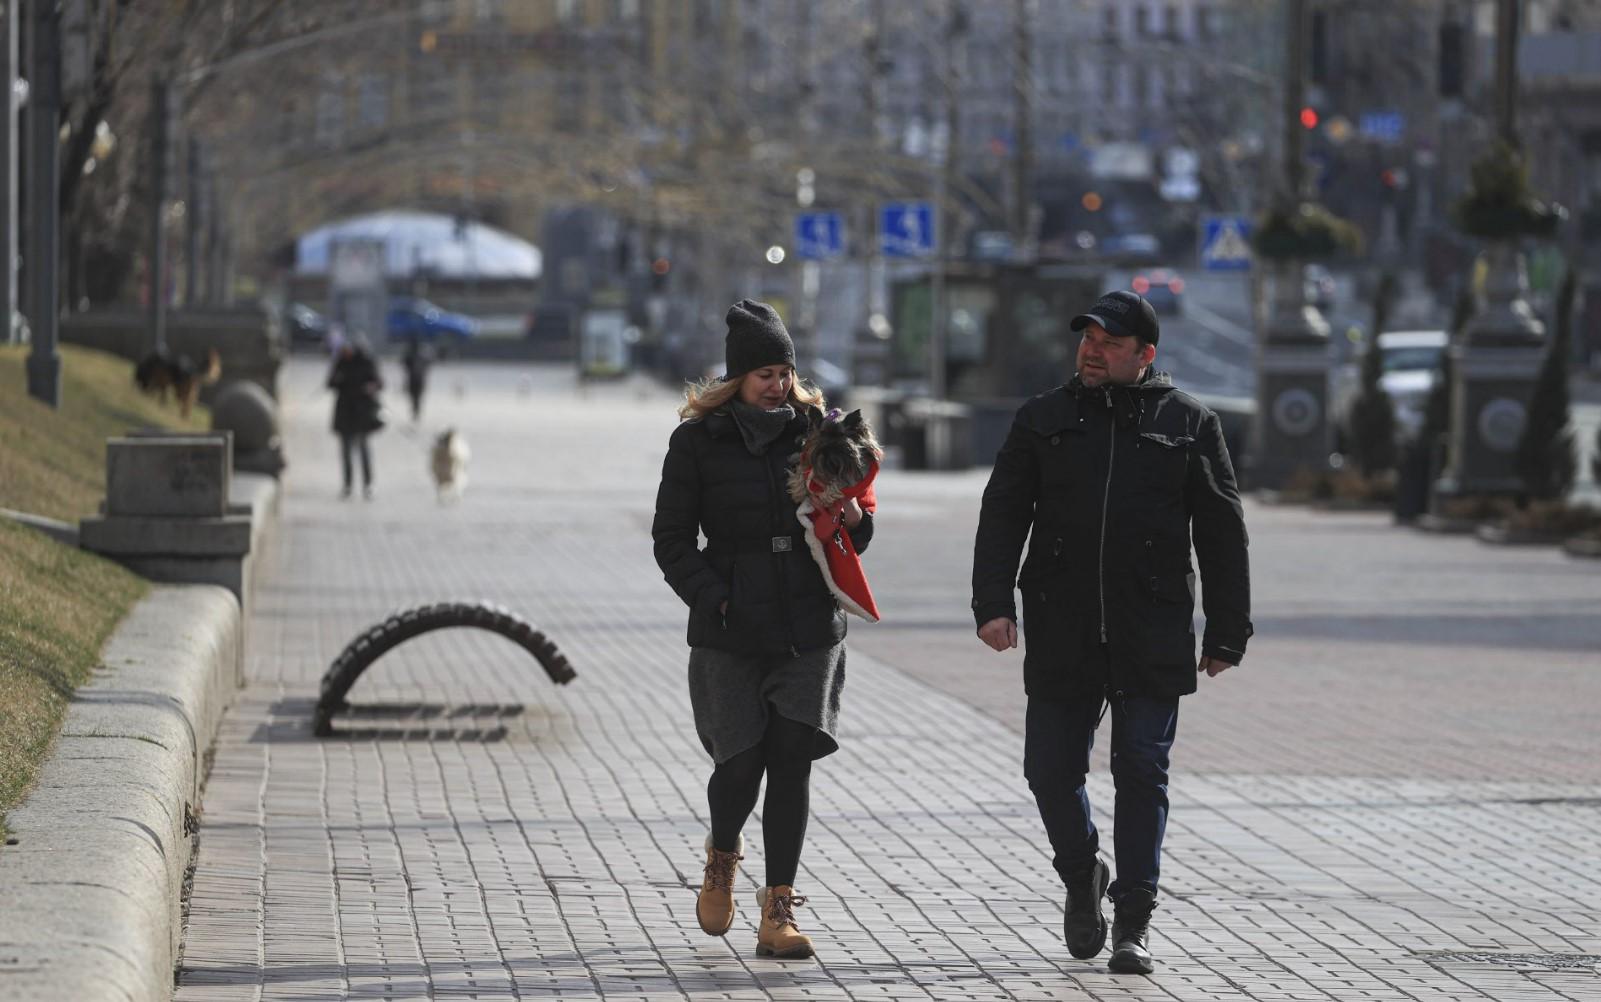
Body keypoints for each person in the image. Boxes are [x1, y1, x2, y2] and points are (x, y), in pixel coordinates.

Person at [970, 290, 1252, 975]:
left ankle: (1133, 920)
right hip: (1061, 621)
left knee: (1141, 772)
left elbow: (1220, 531)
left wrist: (1226, 630)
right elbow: (1003, 510)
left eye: (1110, 344)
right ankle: (1080, 875)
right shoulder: (1043, 418)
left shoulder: (1188, 422)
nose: (1091, 351)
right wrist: (991, 602)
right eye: (1086, 339)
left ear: (1144, 356)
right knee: (1048, 770)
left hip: (1150, 623)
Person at [652, 299, 873, 960]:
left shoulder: (820, 432)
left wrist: (855, 518)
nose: (777, 385)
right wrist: (715, 599)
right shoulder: (697, 440)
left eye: (783, 371)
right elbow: (670, 540)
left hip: (809, 621)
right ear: (737, 378)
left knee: (791, 762)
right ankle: (722, 855)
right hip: (730, 625)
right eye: (763, 374)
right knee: (739, 762)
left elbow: (855, 519)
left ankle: (778, 906)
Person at [327, 334, 384, 499]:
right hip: (345, 412)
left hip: (362, 413)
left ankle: (368, 484)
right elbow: (330, 383)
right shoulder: (341, 362)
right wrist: (338, 380)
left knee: (364, 450)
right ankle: (347, 485)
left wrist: (370, 387)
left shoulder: (367, 361)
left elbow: (379, 383)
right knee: (345, 452)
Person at [402, 338, 434, 422]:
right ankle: (415, 412)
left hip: (417, 380)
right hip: (416, 380)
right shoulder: (415, 357)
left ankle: (416, 412)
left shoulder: (419, 357)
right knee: (415, 397)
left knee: (416, 397)